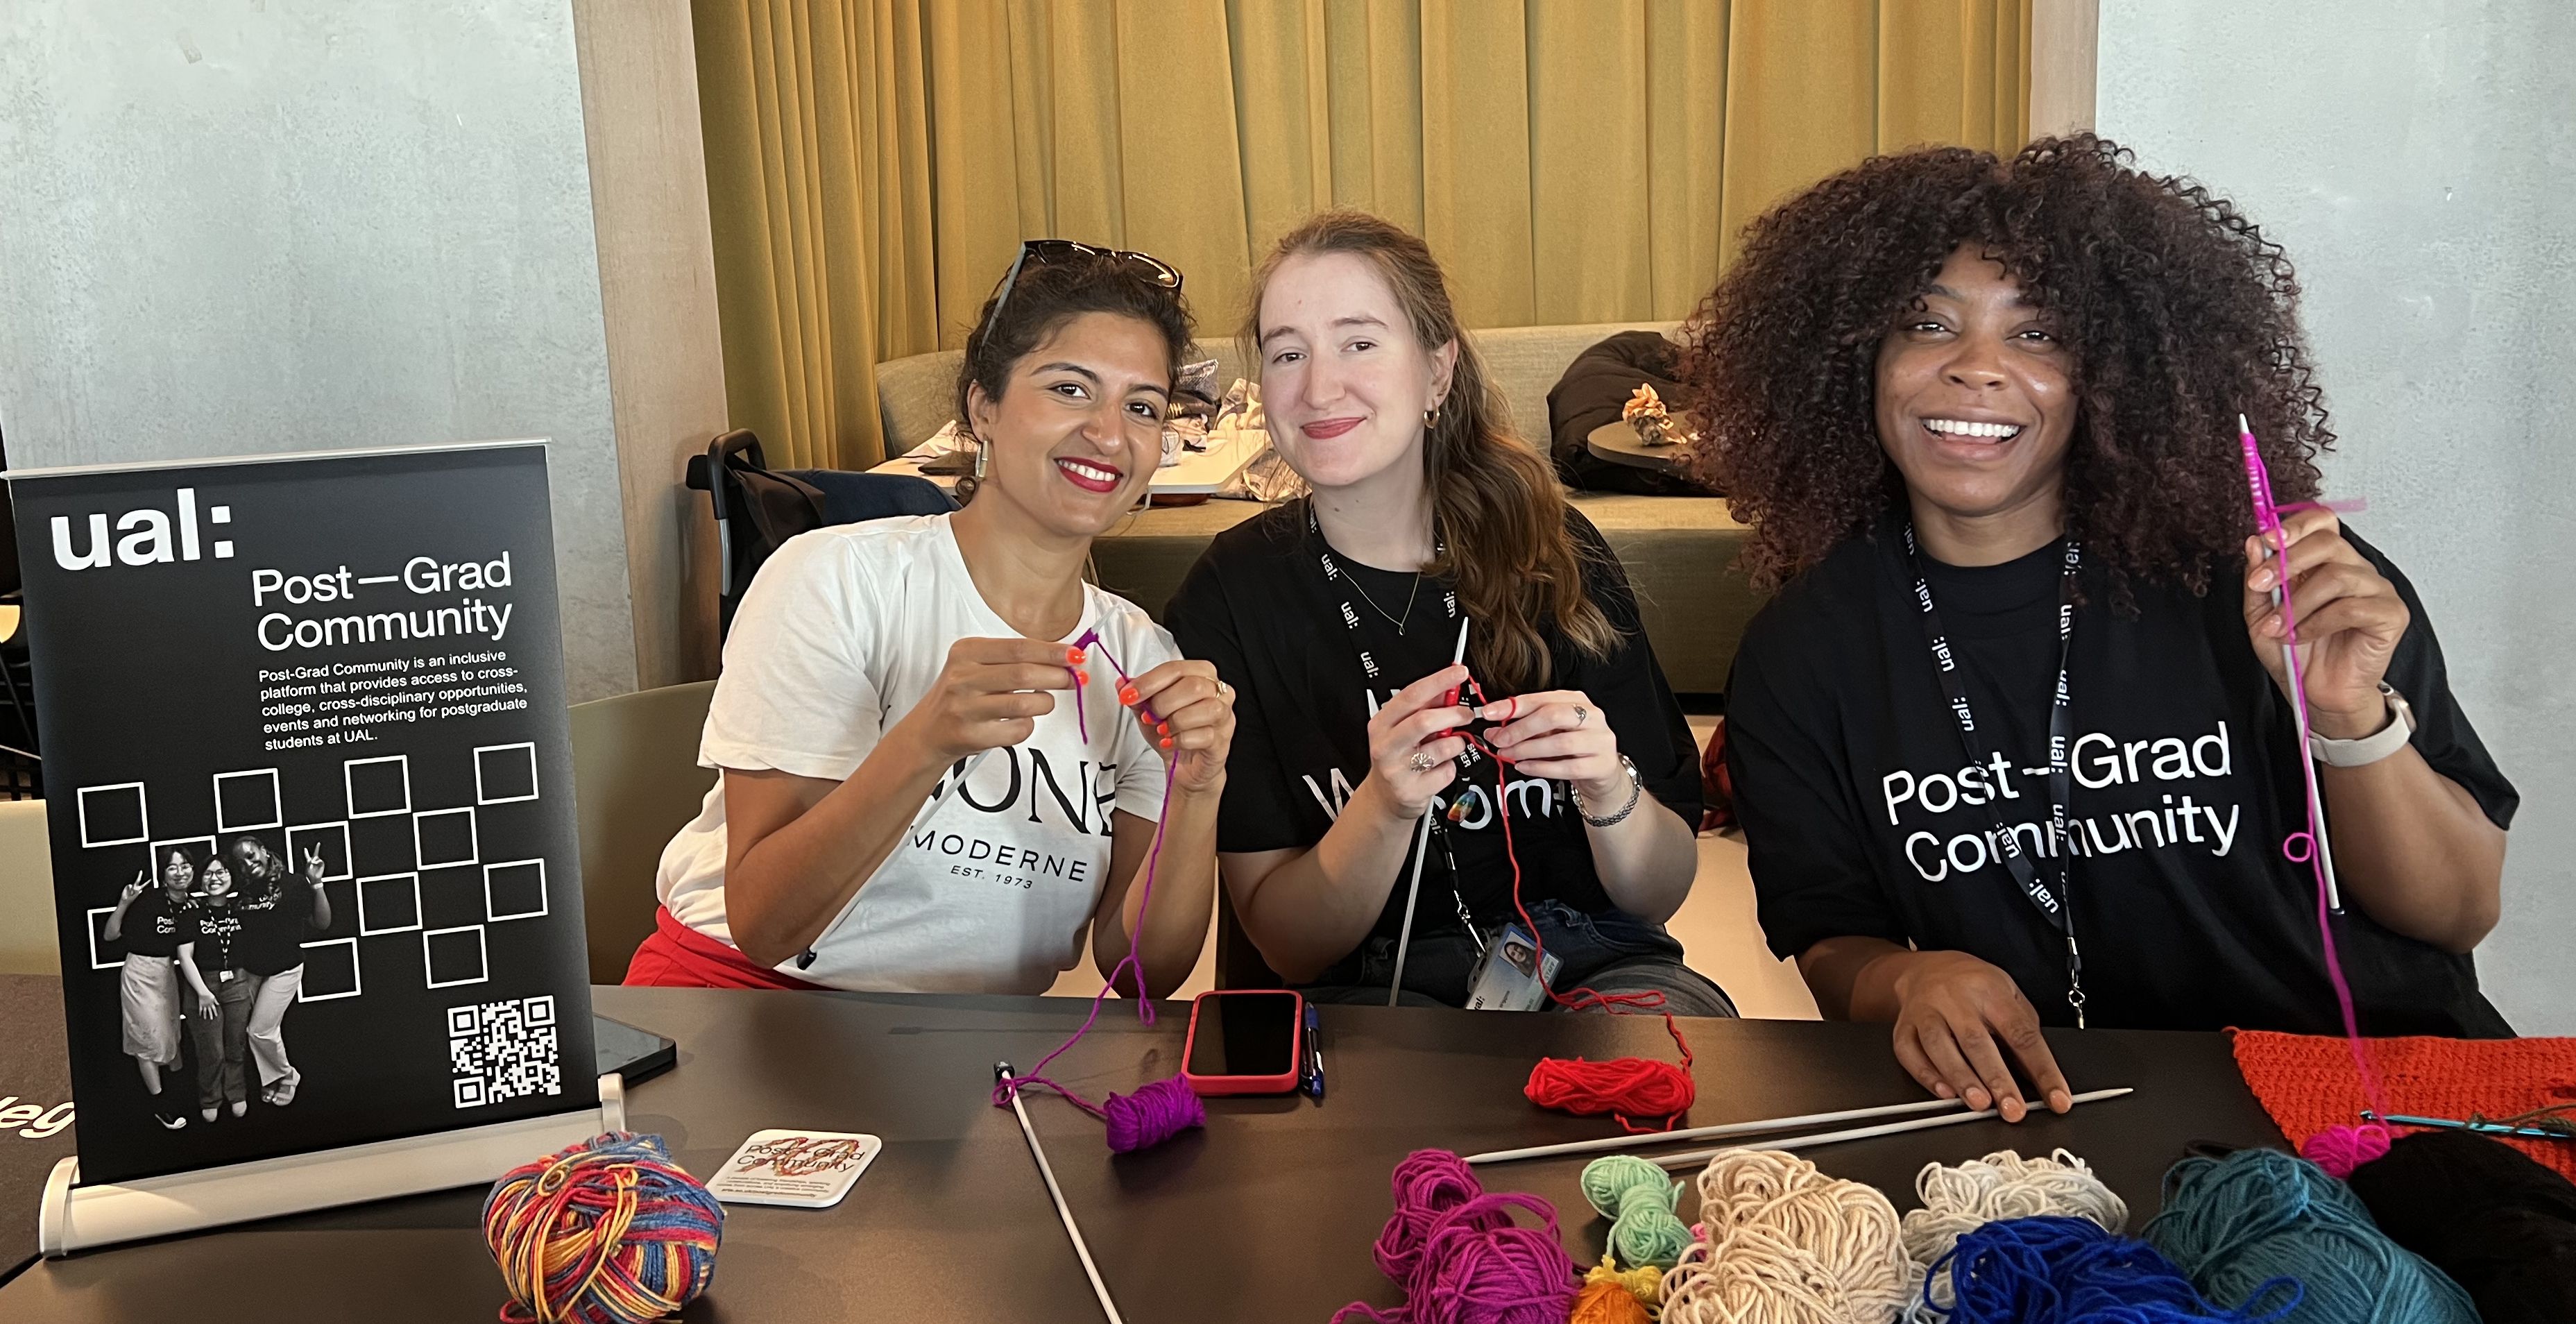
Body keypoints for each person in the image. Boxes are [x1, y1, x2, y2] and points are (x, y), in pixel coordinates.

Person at [1696, 136, 2516, 1121]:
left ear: (2112, 376)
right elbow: (1829, 938)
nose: (1976, 370)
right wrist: (1907, 981)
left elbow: (2458, 909)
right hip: (2056, 1119)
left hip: (2382, 1101)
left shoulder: (2271, 583)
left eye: (2037, 335)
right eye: (1926, 324)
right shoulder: (1801, 653)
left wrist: (2345, 716)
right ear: (1854, 360)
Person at [628, 240, 1236, 996]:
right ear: (983, 407)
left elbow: (1141, 975)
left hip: (964, 1053)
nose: (1110, 434)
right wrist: (923, 741)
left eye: (1141, 406)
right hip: (745, 1005)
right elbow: (764, 925)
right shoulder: (834, 580)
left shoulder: (1141, 658)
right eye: (1070, 390)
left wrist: (1195, 789)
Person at [1165, 211, 1730, 1015]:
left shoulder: (1556, 550)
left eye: (1359, 342)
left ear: (1437, 372)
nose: (1320, 387)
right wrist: (1385, 805)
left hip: (1584, 965)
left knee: (1673, 1076)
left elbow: (1656, 894)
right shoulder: (1230, 594)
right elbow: (1288, 947)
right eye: (1287, 352)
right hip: (1358, 993)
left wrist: (1608, 788)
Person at [230, 835, 330, 1107]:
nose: (249, 865)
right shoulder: (243, 889)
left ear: (264, 851)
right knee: (246, 1031)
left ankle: (287, 1075)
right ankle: (272, 1078)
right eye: (241, 863)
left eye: (251, 856)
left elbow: (322, 923)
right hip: (252, 971)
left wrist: (316, 883)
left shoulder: (293, 884)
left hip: (284, 969)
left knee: (259, 1031)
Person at [103, 845, 198, 1130]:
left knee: (171, 1034)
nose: (180, 873)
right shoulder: (147, 899)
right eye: (172, 867)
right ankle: (160, 1105)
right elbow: (110, 935)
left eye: (185, 866)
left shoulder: (191, 906)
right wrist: (125, 903)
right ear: (163, 874)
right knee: (148, 1040)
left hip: (166, 973)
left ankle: (177, 1091)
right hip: (139, 973)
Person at [176, 853, 257, 1122]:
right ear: (201, 879)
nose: (215, 878)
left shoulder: (242, 910)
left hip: (236, 983)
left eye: (222, 872)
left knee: (236, 1045)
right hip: (202, 985)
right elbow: (184, 956)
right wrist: (202, 992)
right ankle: (210, 1097)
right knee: (212, 1050)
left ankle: (236, 1093)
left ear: (232, 876)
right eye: (209, 873)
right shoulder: (192, 913)